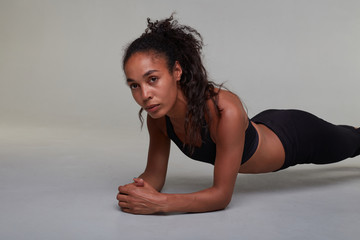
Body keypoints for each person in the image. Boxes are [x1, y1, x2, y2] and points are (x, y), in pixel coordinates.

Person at [116, 15, 360, 215]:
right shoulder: (158, 119)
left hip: (295, 137)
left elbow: (221, 196)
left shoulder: (224, 111)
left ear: (176, 71)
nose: (144, 94)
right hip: (263, 124)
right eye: (134, 85)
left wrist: (160, 204)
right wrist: (135, 192)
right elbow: (154, 176)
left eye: (153, 79)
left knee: (353, 142)